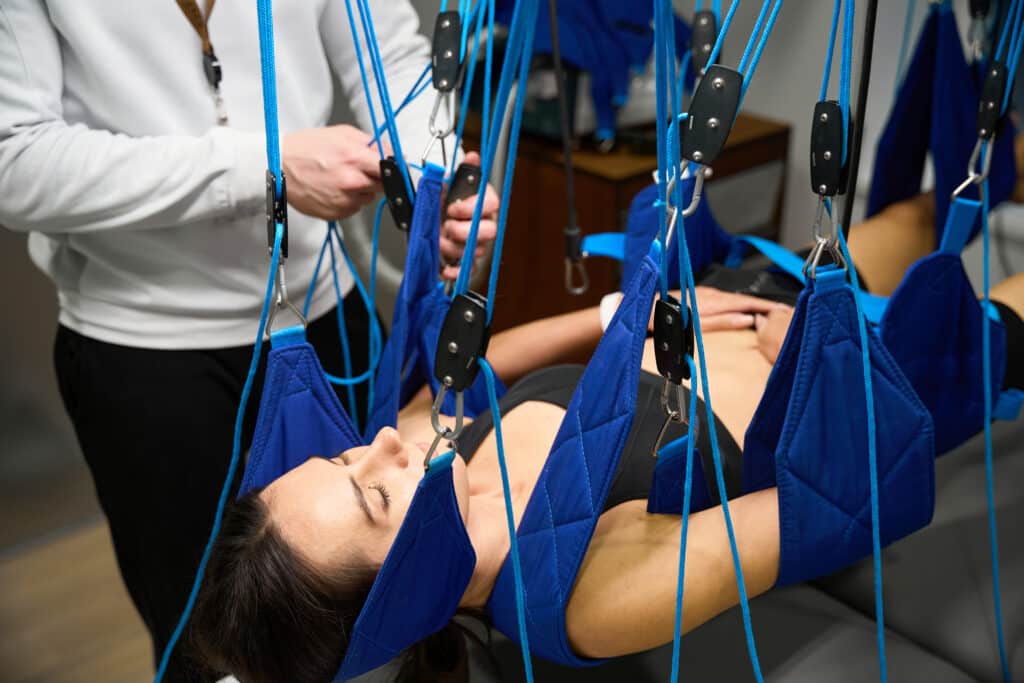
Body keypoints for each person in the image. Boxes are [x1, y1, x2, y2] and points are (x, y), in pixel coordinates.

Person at [188, 187, 1024, 682]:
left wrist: (608, 317)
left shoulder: (430, 449)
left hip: (732, 291)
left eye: (340, 453)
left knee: (923, 208)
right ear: (405, 586)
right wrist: (809, 363)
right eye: (372, 490)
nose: (382, 445)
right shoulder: (580, 593)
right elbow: (830, 503)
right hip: (857, 369)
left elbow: (488, 362)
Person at [0, 1, 497, 680]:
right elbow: (14, 156)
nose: (383, 451)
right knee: (210, 652)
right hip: (148, 347)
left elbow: (398, 64)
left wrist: (432, 179)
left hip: (328, 318)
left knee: (391, 641)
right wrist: (261, 167)